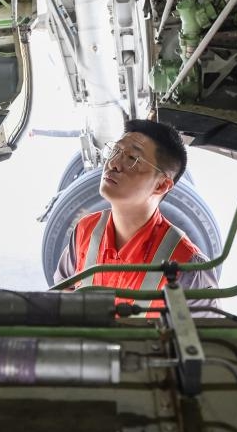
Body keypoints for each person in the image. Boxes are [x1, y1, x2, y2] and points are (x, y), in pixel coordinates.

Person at [53, 119, 220, 316]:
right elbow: (62, 297)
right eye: (115, 151)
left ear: (161, 186)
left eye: (132, 158)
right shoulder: (84, 230)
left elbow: (203, 338)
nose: (113, 163)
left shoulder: (188, 266)